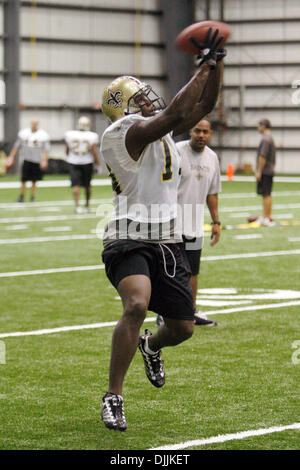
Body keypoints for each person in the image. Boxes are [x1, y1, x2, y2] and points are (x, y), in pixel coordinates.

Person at [99, 28, 225, 431]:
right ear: (123, 110)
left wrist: (216, 65)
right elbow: (173, 112)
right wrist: (201, 62)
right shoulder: (121, 134)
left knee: (183, 328)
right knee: (136, 303)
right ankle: (114, 397)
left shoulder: (159, 128)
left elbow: (205, 102)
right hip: (127, 235)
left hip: (168, 237)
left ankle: (151, 345)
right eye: (137, 99)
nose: (146, 100)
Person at [156, 119, 221, 328]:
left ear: (210, 134)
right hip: (172, 223)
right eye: (197, 131)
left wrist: (216, 221)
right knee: (170, 270)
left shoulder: (212, 158)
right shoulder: (176, 150)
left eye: (205, 132)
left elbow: (212, 193)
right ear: (190, 131)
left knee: (193, 270)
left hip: (195, 224)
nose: (201, 135)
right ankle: (163, 312)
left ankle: (190, 311)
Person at [6, 118, 50, 202]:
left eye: (35, 123)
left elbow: (46, 149)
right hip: (27, 159)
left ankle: (32, 197)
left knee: (34, 180)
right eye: (33, 123)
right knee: (24, 179)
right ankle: (21, 196)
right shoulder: (24, 133)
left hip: (37, 160)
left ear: (38, 124)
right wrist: (11, 156)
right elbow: (16, 146)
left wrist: (45, 160)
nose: (34, 125)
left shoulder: (43, 135)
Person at [65, 116, 100, 214]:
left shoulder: (70, 134)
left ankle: (77, 206)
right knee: (87, 186)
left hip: (73, 162)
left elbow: (67, 150)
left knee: (75, 185)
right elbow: (93, 151)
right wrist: (98, 164)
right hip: (87, 162)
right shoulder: (92, 135)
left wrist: (70, 157)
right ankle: (87, 205)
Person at [248, 119, 276, 226]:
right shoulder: (270, 138)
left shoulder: (265, 139)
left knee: (266, 194)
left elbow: (262, 156)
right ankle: (267, 216)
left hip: (265, 170)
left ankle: (265, 217)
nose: (258, 128)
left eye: (259, 126)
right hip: (269, 170)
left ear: (263, 126)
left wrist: (259, 171)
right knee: (267, 194)